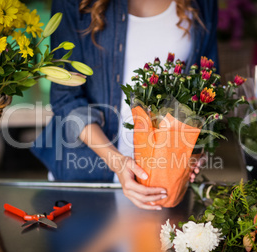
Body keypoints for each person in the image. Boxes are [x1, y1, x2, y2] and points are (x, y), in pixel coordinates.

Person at [31, 0, 218, 210]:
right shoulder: (75, 3)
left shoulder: (202, 4)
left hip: (164, 182)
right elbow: (65, 97)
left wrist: (195, 150)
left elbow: (206, 86)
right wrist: (118, 162)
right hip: (86, 175)